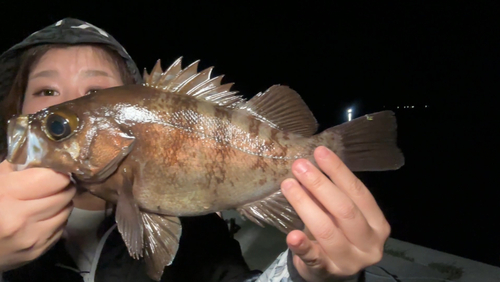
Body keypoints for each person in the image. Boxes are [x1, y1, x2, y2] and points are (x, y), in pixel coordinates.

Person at [0, 18, 390, 282]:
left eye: (95, 94)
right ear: (17, 107)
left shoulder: (202, 239)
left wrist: (312, 274)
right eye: (46, 93)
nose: (63, 102)